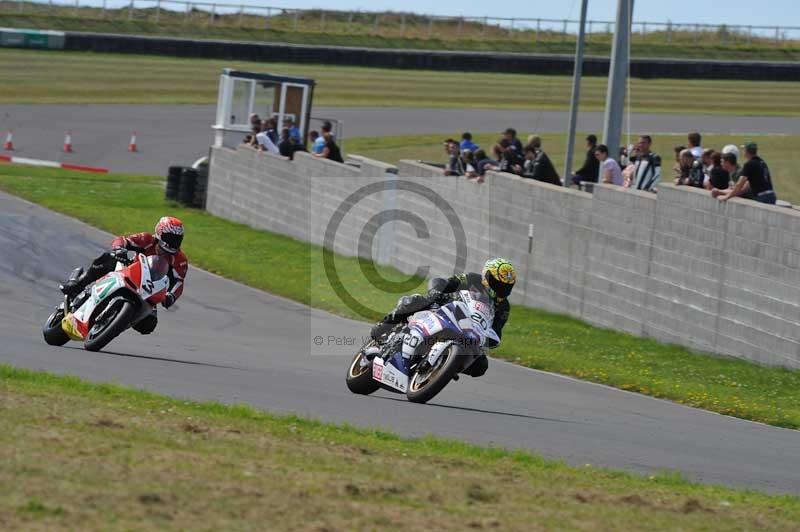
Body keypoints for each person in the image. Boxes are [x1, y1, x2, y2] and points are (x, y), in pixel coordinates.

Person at [369, 258, 517, 378]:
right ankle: (385, 325)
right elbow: (444, 282)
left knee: (481, 366)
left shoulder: (504, 308)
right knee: (413, 301)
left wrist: (487, 340)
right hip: (444, 309)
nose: (501, 290)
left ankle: (445, 366)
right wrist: (435, 294)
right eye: (498, 284)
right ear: (487, 277)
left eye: (506, 287)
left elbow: (496, 331)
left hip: (469, 330)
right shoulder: (472, 279)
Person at [60, 217, 188, 335]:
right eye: (170, 238)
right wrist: (119, 249)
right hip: (130, 272)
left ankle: (116, 322)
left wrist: (171, 296)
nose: (173, 242)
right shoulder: (147, 239)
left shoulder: (180, 260)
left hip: (150, 289)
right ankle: (79, 283)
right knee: (108, 259)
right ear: (160, 233)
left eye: (176, 239)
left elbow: (179, 282)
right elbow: (122, 240)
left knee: (148, 325)